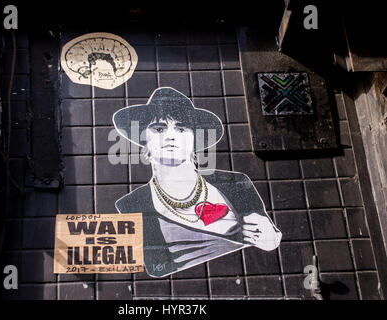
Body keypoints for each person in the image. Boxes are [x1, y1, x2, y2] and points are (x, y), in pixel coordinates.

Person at [113, 87, 281, 278]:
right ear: (144, 139)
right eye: (159, 128)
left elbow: (268, 237)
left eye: (181, 128)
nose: (170, 136)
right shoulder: (132, 205)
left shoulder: (235, 183)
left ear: (194, 138)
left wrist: (271, 238)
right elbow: (157, 270)